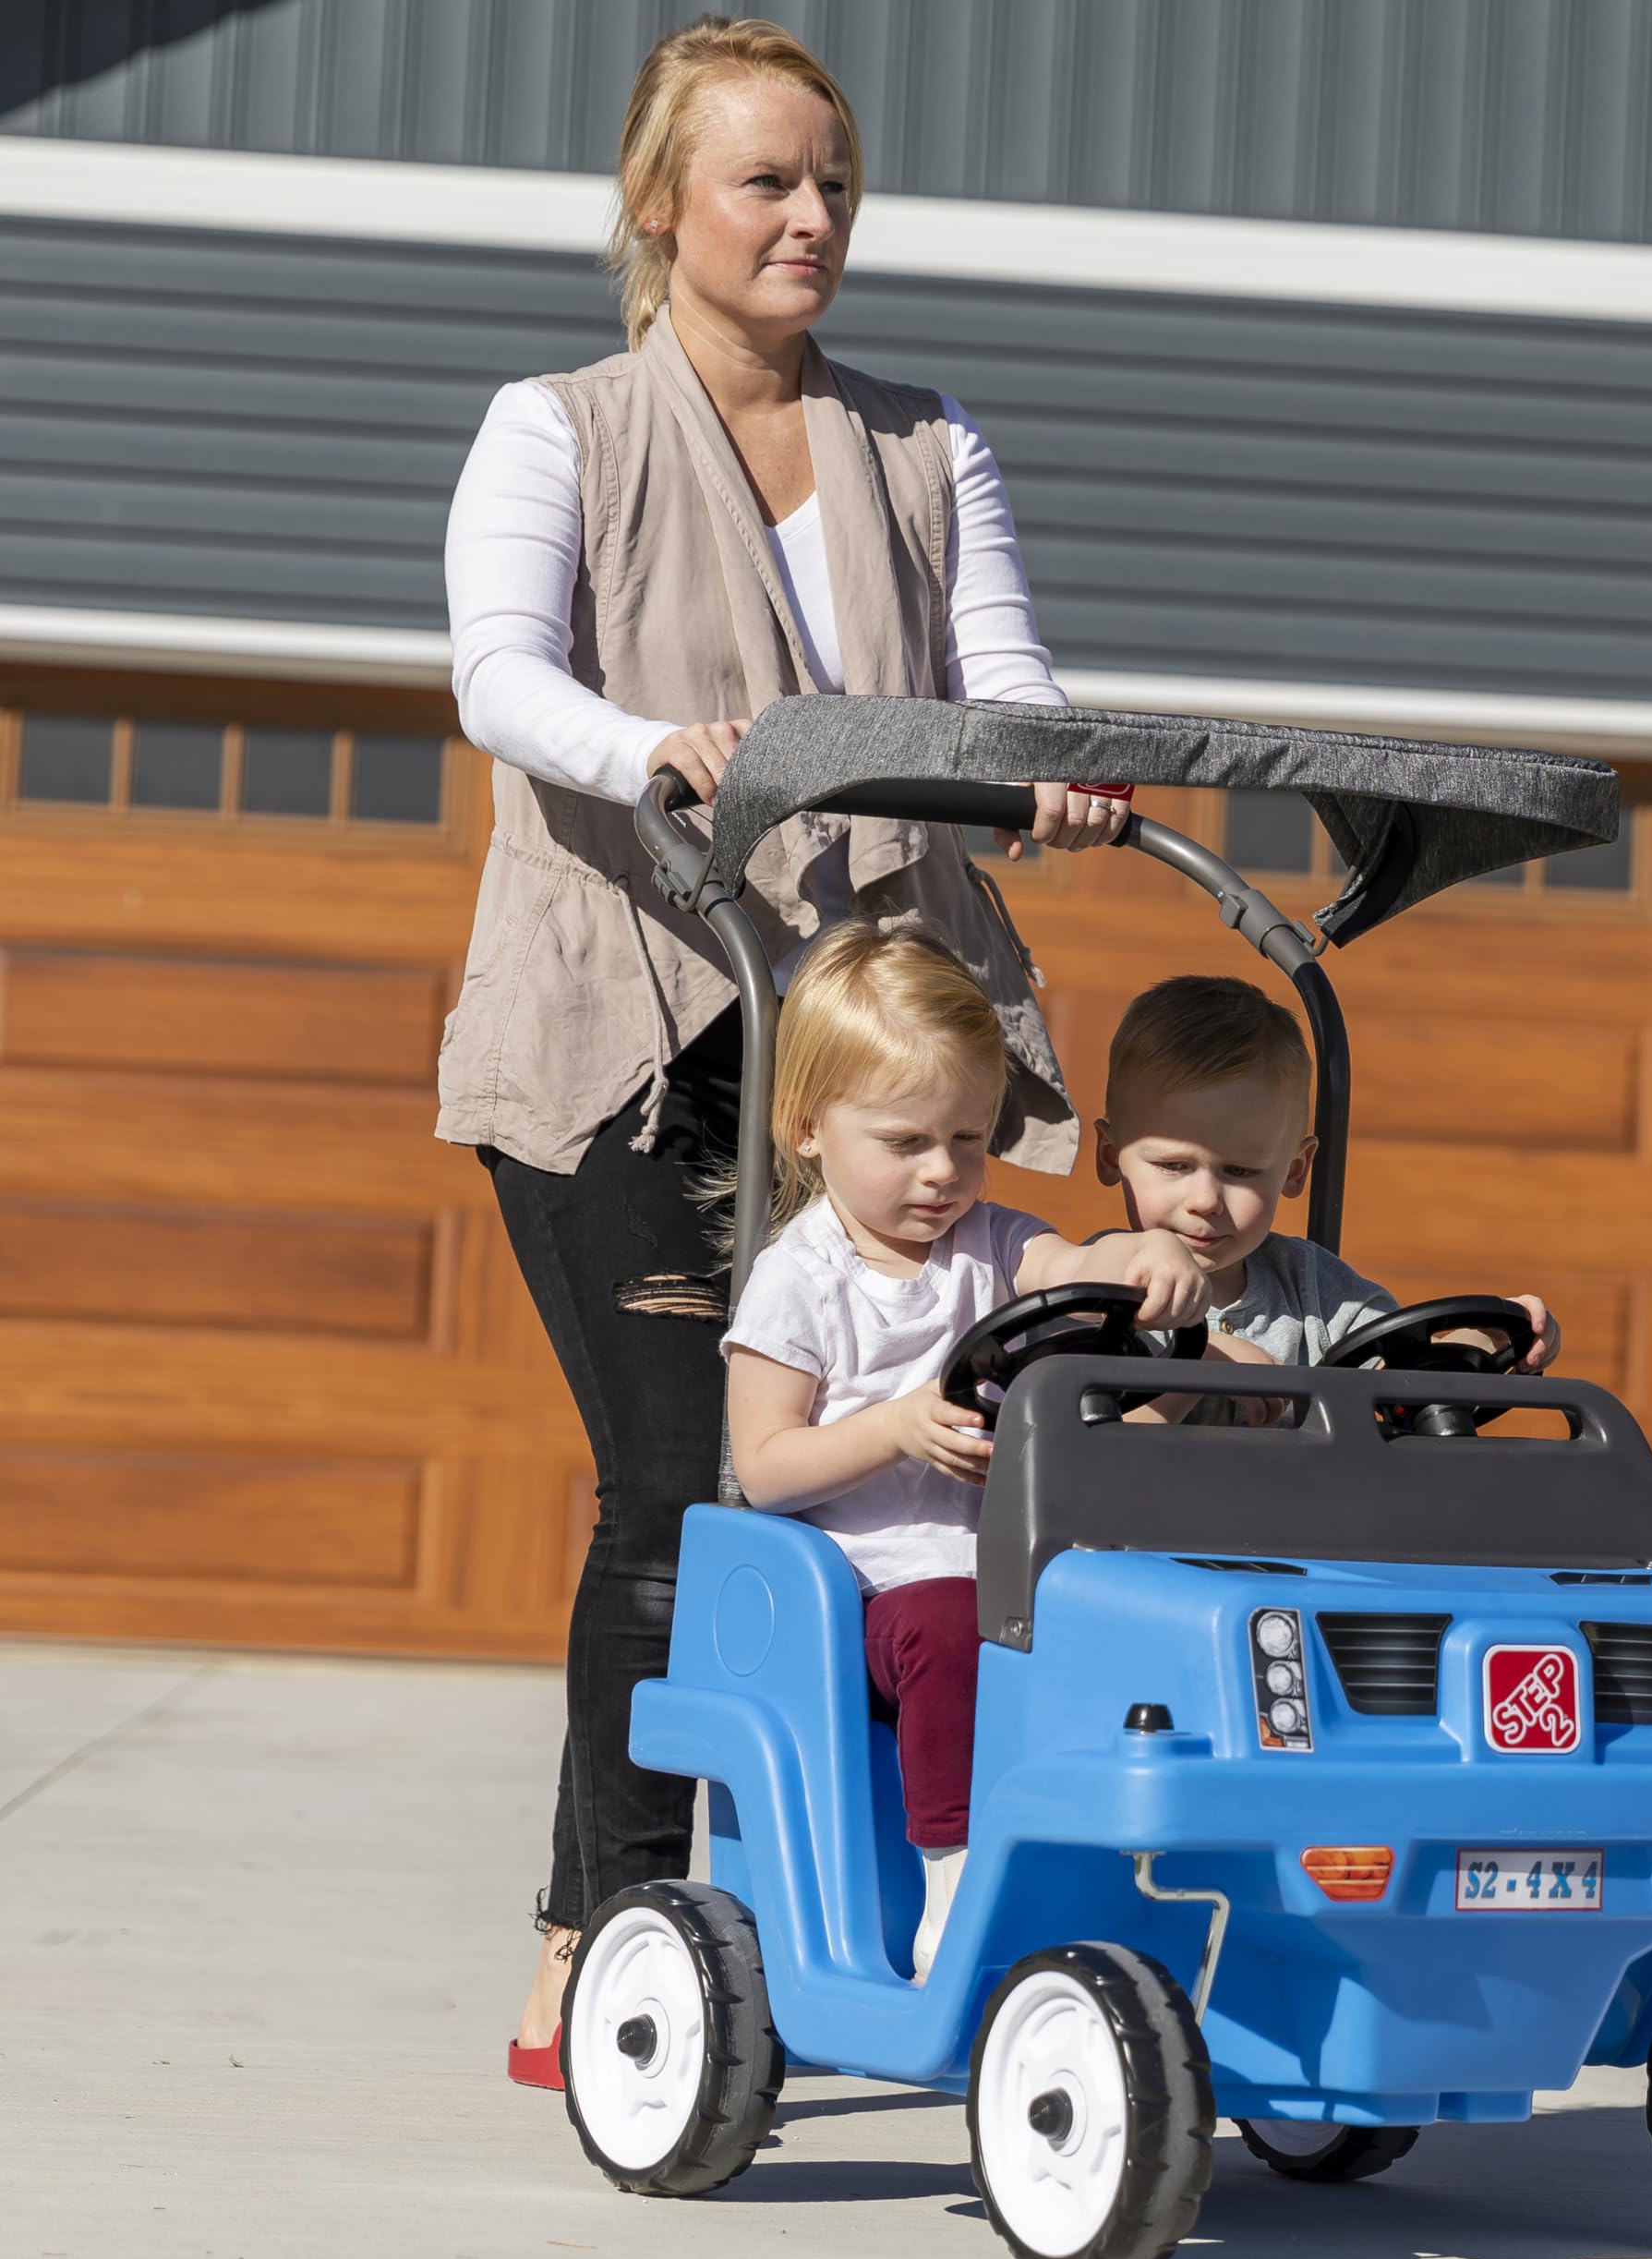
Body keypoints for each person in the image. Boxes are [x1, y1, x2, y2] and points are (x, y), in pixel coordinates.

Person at [437, 16, 1131, 2085]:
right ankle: (604, 1927)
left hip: (867, 1049)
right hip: (625, 1036)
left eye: (833, 178)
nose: (812, 215)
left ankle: (888, 1902)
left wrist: (1051, 771)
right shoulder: (556, 423)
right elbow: (497, 671)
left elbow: (994, 674)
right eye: (766, 180)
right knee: (680, 1492)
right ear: (663, 209)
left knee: (937, 1499)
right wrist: (646, 741)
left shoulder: (927, 443)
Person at [722, 924, 1216, 1978]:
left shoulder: (992, 1244)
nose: (944, 1172)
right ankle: (952, 1876)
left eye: (969, 1139)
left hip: (1015, 1579)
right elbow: (763, 1464)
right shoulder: (798, 1277)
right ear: (807, 1129)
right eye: (906, 1143)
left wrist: (1147, 1250)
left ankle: (1156, 1895)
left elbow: (1073, 1260)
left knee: (1157, 1624)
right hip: (861, 1599)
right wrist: (893, 1428)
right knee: (951, 1626)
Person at [1095, 974, 1563, 1376]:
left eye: (1239, 1170)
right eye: (1174, 1166)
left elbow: (1396, 1372)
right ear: (1112, 1157)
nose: (1206, 1199)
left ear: (1295, 1171)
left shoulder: (1314, 1289)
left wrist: (1483, 1339)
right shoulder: (1100, 1281)